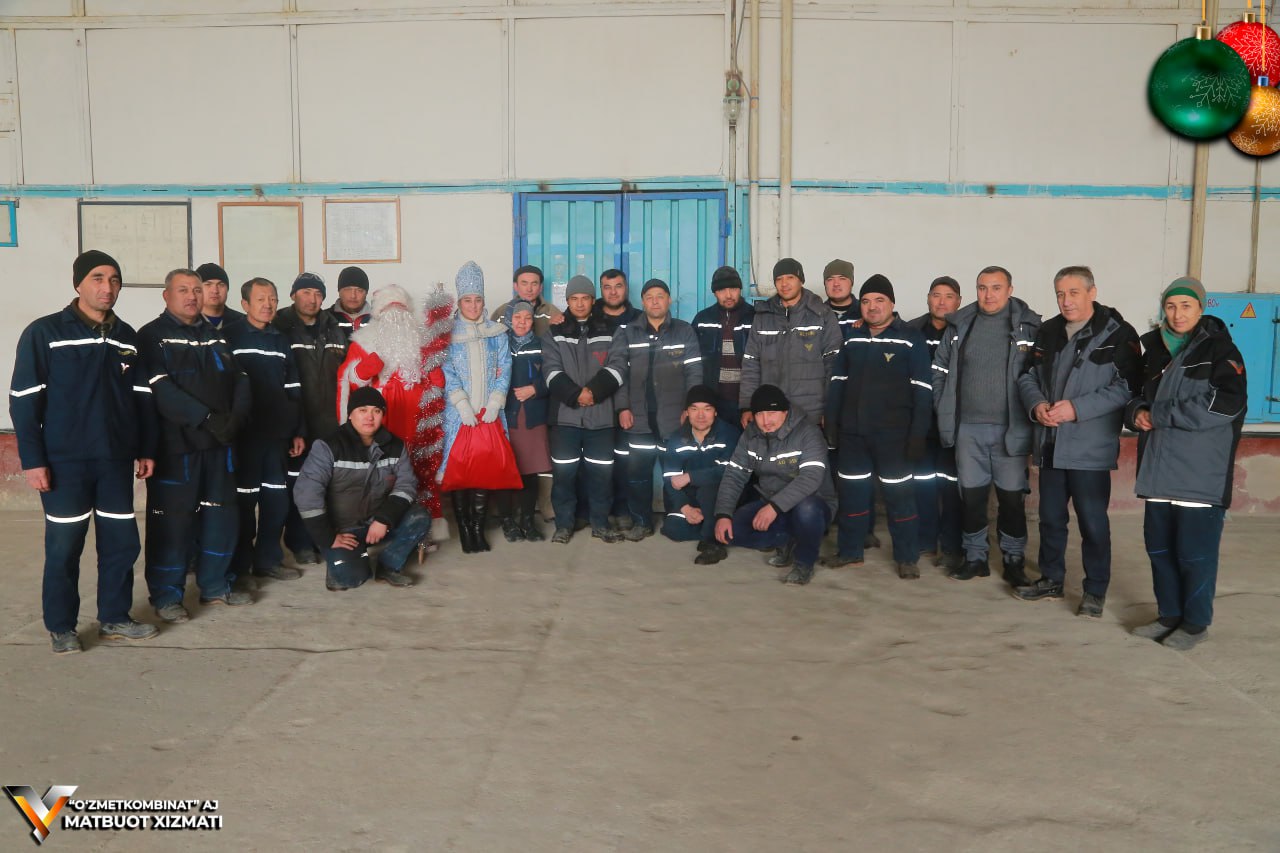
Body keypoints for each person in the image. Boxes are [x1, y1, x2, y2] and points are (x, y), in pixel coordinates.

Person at [10, 250, 159, 653]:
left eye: (114, 279)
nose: (107, 287)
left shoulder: (127, 336)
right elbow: (23, 401)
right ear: (78, 283)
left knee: (121, 545)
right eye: (97, 278)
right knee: (64, 548)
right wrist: (33, 460)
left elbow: (142, 398)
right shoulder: (45, 333)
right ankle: (61, 627)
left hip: (114, 461)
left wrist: (145, 449)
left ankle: (114, 617)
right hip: (65, 463)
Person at [1125, 277, 1247, 650]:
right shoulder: (1154, 350)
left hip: (1199, 475)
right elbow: (1133, 394)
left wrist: (1158, 414)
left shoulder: (1221, 351)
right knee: (1160, 550)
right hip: (1159, 470)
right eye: (1171, 306)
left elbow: (1225, 405)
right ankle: (1169, 615)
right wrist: (1137, 412)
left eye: (1186, 306)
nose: (1178, 314)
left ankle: (1194, 624)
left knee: (1195, 554)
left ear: (1201, 308)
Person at [1014, 266, 1141, 617]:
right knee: (1051, 519)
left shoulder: (1118, 333)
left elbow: (1128, 387)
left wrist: (1077, 409)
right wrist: (1037, 404)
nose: (1066, 300)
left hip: (1090, 449)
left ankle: (1095, 591)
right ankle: (1051, 579)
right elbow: (1027, 375)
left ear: (1092, 292)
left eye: (1073, 292)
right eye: (1060, 293)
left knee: (1093, 523)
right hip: (1051, 443)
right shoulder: (1049, 331)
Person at [138, 268, 252, 623]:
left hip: (220, 444)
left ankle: (216, 585)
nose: (192, 296)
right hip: (178, 448)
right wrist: (206, 418)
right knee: (172, 524)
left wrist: (236, 418)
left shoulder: (215, 336)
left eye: (197, 290)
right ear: (166, 295)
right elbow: (160, 388)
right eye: (183, 290)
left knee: (221, 516)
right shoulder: (152, 336)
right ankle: (167, 596)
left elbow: (240, 378)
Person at [931, 265, 1041, 588]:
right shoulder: (961, 325)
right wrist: (943, 405)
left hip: (1011, 430)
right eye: (982, 288)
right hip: (968, 429)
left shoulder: (1029, 328)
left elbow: (1040, 375)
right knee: (972, 498)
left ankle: (1013, 560)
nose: (988, 295)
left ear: (1010, 290)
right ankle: (975, 557)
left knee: (1011, 499)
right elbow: (939, 368)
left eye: (996, 288)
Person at [823, 275, 932, 578]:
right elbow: (837, 382)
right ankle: (850, 552)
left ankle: (907, 557)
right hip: (853, 436)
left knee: (900, 499)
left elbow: (923, 391)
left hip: (894, 438)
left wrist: (918, 435)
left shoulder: (910, 338)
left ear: (892, 303)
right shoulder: (853, 338)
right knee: (852, 496)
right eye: (867, 301)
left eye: (879, 300)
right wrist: (832, 422)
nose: (872, 307)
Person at [294, 386, 428, 590]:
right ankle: (343, 561)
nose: (369, 417)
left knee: (420, 517)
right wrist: (329, 537)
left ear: (382, 415)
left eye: (376, 411)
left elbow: (406, 484)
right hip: (342, 530)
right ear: (350, 414)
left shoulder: (396, 446)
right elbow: (307, 494)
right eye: (362, 410)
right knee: (352, 578)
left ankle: (388, 565)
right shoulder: (328, 446)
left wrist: (384, 519)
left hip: (377, 523)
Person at [225, 277, 306, 584]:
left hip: (276, 436)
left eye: (272, 298)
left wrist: (298, 430)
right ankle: (241, 565)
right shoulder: (229, 337)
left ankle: (268, 560)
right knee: (244, 501)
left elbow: (294, 388)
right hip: (244, 437)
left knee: (276, 500)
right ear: (244, 304)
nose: (268, 304)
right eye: (260, 299)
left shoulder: (281, 340)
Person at [714, 385, 836, 585]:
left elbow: (811, 478)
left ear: (785, 412)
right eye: (760, 414)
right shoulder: (750, 436)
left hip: (812, 503)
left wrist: (774, 507)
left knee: (807, 511)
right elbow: (734, 475)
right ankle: (787, 539)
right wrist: (723, 514)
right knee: (732, 531)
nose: (766, 420)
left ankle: (804, 562)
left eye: (772, 413)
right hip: (771, 501)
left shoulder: (808, 432)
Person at [609, 278, 702, 539]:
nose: (655, 301)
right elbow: (618, 373)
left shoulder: (684, 331)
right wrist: (623, 407)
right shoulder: (627, 332)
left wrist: (690, 408)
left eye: (660, 296)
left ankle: (675, 517)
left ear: (669, 300)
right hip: (638, 418)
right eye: (649, 297)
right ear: (643, 302)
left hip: (673, 417)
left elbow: (694, 372)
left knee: (674, 472)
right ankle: (642, 522)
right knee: (638, 475)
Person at [542, 275, 626, 544]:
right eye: (574, 298)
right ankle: (564, 525)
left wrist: (594, 392)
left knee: (601, 475)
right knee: (564, 476)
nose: (579, 304)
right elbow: (550, 370)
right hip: (565, 419)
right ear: (567, 301)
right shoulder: (554, 332)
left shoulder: (612, 330)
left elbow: (618, 366)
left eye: (585, 298)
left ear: (593, 300)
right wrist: (576, 395)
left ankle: (600, 523)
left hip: (601, 420)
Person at [274, 272, 348, 564]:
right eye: (305, 292)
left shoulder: (334, 327)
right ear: (293, 295)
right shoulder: (279, 326)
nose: (312, 299)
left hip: (329, 422)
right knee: (297, 484)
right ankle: (299, 541)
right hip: (296, 422)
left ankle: (322, 538)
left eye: (318, 294)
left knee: (326, 484)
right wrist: (293, 426)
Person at [441, 261, 512, 554]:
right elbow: (447, 371)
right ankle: (465, 529)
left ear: (484, 301)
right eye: (467, 300)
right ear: (459, 302)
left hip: (488, 414)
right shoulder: (448, 335)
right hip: (459, 415)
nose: (473, 305)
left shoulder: (496, 333)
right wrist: (462, 404)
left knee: (483, 470)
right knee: (461, 473)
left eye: (478, 299)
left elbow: (505, 367)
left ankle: (478, 528)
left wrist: (495, 402)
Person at [739, 258, 842, 428]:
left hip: (812, 415)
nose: (784, 284)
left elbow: (834, 365)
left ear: (801, 280)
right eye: (779, 279)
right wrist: (747, 406)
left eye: (790, 278)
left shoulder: (822, 315)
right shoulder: (763, 317)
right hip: (772, 414)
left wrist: (831, 409)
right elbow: (751, 364)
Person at [908, 275, 964, 570]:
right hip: (921, 423)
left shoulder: (966, 331)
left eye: (949, 296)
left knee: (952, 487)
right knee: (923, 483)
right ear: (928, 298)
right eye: (936, 295)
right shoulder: (911, 330)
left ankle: (952, 544)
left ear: (959, 302)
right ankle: (925, 539)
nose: (941, 302)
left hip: (954, 424)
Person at [660, 385, 739, 564]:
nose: (701, 415)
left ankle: (713, 542)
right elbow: (670, 479)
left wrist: (690, 477)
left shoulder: (729, 434)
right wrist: (685, 508)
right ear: (686, 412)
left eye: (707, 409)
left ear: (715, 412)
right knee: (673, 529)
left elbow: (729, 472)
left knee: (708, 490)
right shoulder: (677, 438)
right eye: (694, 409)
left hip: (720, 497)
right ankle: (710, 527)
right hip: (692, 499)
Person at [498, 301, 551, 542]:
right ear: (510, 319)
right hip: (504, 416)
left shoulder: (542, 345)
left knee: (530, 471)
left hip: (531, 417)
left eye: (527, 318)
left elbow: (554, 375)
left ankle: (528, 520)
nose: (522, 322)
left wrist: (535, 389)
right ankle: (507, 520)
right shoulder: (500, 344)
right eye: (517, 317)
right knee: (505, 470)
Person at [593, 268, 641, 529]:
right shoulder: (589, 317)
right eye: (607, 287)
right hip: (595, 402)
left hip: (629, 403)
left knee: (624, 459)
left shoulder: (640, 320)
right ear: (601, 290)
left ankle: (622, 509)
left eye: (618, 286)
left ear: (626, 288)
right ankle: (591, 511)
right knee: (595, 461)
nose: (613, 292)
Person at [691, 265, 755, 425]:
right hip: (713, 402)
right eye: (722, 290)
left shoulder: (755, 317)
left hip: (747, 403)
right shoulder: (702, 320)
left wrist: (751, 404)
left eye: (733, 288)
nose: (728, 295)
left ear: (740, 289)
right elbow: (692, 364)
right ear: (714, 293)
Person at [491, 264, 563, 337]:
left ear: (540, 287)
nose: (529, 289)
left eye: (534, 284)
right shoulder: (502, 312)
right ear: (516, 286)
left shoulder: (552, 312)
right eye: (524, 284)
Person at [196, 262, 245, 330]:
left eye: (221, 285)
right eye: (208, 284)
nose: (215, 291)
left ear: (227, 289)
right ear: (197, 290)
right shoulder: (188, 322)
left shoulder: (243, 322)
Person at [822, 258, 860, 340]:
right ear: (825, 284)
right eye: (830, 279)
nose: (836, 284)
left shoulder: (866, 313)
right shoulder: (815, 314)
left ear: (851, 282)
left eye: (842, 278)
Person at [329, 265, 373, 335]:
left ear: (366, 293)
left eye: (359, 290)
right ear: (339, 291)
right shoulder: (325, 319)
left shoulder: (377, 320)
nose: (353, 296)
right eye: (348, 289)